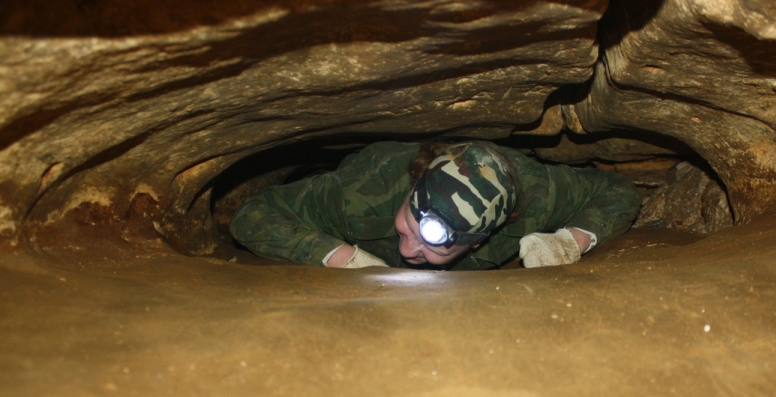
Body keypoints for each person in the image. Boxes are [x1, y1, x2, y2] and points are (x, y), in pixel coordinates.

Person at [229, 140, 640, 270]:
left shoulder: (537, 195)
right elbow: (253, 215)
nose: (408, 249)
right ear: (411, 192)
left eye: (433, 246)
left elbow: (619, 191)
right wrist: (339, 255)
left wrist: (571, 239)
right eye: (408, 227)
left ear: (478, 243)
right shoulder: (360, 194)